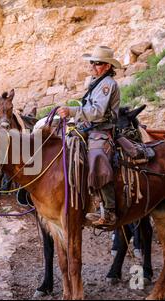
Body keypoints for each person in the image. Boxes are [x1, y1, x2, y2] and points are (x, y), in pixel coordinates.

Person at [57, 45, 121, 227]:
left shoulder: (108, 84)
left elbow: (98, 112)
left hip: (102, 130)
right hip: (90, 128)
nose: (92, 66)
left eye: (97, 63)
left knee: (97, 158)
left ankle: (109, 211)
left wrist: (72, 111)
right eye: (92, 62)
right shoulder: (96, 83)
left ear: (108, 66)